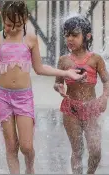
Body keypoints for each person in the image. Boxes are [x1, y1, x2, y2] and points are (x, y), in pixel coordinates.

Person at [0, 1, 86, 174]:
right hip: (3, 98)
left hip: (23, 97)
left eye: (18, 25)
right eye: (8, 25)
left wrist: (67, 74)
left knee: (27, 147)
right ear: (2, 17)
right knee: (11, 146)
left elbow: (40, 68)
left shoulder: (30, 39)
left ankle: (30, 169)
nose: (12, 29)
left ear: (26, 19)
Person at [54, 15, 109, 174]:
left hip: (91, 108)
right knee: (77, 150)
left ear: (87, 36)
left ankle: (90, 173)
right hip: (71, 109)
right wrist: (59, 88)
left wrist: (105, 97)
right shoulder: (64, 61)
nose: (69, 39)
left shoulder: (95, 60)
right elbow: (58, 82)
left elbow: (106, 81)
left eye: (74, 35)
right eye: (67, 35)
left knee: (96, 150)